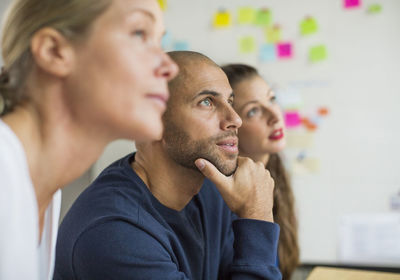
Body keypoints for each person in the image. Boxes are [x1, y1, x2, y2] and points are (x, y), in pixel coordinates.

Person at [54, 51, 282, 280]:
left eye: (230, 101)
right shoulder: (114, 233)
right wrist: (257, 216)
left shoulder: (211, 193)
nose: (235, 119)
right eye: (207, 102)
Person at [0, 0, 178, 279]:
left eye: (160, 40)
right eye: (139, 34)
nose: (170, 67)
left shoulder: (44, 192)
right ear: (54, 51)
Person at [221, 64, 299, 280]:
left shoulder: (275, 172)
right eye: (253, 111)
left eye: (272, 99)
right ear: (231, 125)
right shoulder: (222, 198)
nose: (275, 115)